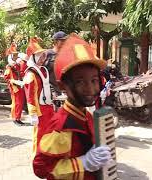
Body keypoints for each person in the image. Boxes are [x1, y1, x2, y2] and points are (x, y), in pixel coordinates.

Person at [33, 34, 111, 179]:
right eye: (80, 82)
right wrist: (83, 163)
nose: (90, 89)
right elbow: (40, 168)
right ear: (63, 86)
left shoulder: (84, 114)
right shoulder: (61, 125)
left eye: (94, 80)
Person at [24, 38, 55, 158]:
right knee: (39, 135)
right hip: (39, 110)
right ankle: (37, 157)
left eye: (43, 56)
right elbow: (30, 96)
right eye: (40, 56)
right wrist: (33, 114)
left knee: (48, 133)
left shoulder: (42, 70)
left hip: (47, 107)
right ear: (34, 58)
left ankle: (46, 154)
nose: (43, 59)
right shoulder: (31, 74)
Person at [4, 42, 25, 125]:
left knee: (20, 102)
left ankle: (18, 117)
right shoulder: (9, 67)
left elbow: (21, 74)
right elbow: (6, 77)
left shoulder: (17, 65)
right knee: (16, 103)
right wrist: (13, 81)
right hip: (14, 87)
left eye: (16, 55)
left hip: (19, 85)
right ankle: (15, 118)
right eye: (14, 55)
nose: (16, 56)